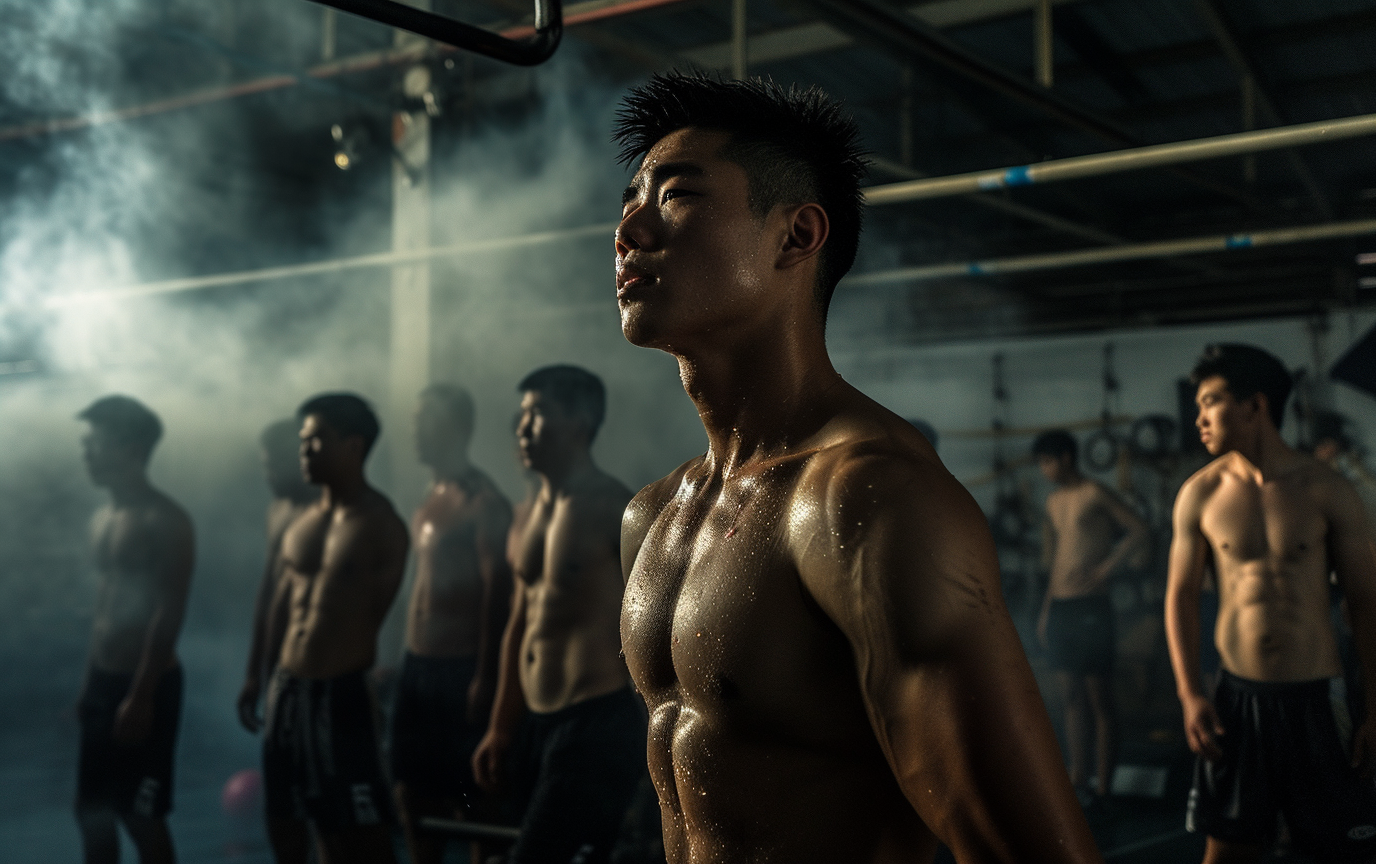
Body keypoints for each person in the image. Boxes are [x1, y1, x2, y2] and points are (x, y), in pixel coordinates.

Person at [613, 72, 1100, 863]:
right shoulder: (654, 515)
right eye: (630, 198)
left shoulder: (865, 498)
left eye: (676, 196)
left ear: (797, 236)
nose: (629, 226)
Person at [1165, 343, 1376, 864]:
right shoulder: (1200, 494)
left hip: (1319, 701)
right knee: (1228, 853)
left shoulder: (1328, 491)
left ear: (1254, 405)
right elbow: (1181, 598)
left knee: (1337, 852)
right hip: (1239, 702)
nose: (1199, 420)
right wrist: (1190, 693)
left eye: (1211, 402)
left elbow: (1366, 602)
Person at [471, 365, 642, 864]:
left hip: (594, 722)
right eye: (521, 416)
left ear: (580, 422)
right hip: (534, 722)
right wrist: (502, 726)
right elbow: (517, 627)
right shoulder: (529, 514)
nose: (522, 429)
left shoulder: (616, 508)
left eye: (538, 414)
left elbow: (652, 623)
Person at [261, 393, 409, 864]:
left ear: (353, 445)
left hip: (339, 693)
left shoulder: (381, 524)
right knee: (284, 823)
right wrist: (262, 679)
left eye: (316, 441)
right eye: (303, 442)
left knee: (356, 834)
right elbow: (281, 609)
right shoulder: (299, 522)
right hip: (287, 687)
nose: (304, 451)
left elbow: (384, 611)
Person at [391, 384, 513, 864]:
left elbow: (498, 597)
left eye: (426, 420)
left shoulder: (483, 503)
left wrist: (486, 676)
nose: (415, 431)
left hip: (462, 670)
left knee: (474, 800)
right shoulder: (430, 496)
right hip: (417, 667)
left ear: (456, 428)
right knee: (412, 792)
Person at [74, 395, 194, 864]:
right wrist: (91, 684)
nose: (86, 453)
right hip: (106, 681)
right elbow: (105, 605)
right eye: (85, 443)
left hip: (148, 684)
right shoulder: (102, 518)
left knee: (140, 815)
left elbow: (170, 609)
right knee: (91, 812)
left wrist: (141, 695)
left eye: (95, 443)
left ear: (132, 448)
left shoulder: (164, 520)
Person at [1033, 429, 1148, 812]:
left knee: (1099, 697)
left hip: (1092, 609)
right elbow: (1055, 560)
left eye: (1047, 461)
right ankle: (1077, 777)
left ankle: (1104, 786)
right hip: (1063, 607)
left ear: (1066, 457)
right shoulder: (1053, 501)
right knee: (1069, 696)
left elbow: (1138, 528)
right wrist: (1047, 611)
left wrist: (1107, 569)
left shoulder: (1095, 493)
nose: (1044, 470)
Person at [237, 419, 319, 735]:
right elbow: (268, 591)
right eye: (264, 466)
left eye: (273, 467)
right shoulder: (277, 510)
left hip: (316, 665)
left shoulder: (326, 517)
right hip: (277, 663)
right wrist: (253, 673)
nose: (267, 477)